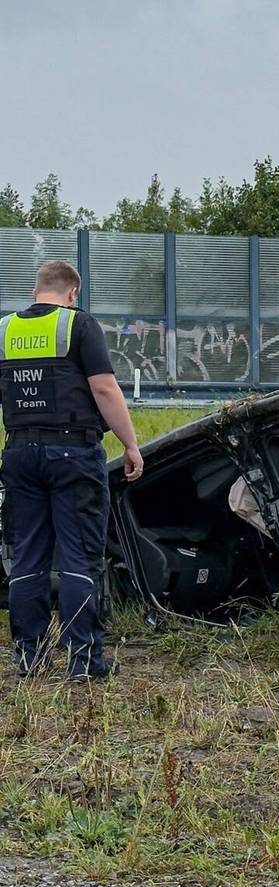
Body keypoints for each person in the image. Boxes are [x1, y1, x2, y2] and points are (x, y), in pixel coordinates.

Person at [0, 260, 143, 681]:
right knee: (79, 558)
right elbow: (103, 387)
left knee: (26, 557)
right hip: (72, 453)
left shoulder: (5, 330)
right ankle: (83, 662)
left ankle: (31, 657)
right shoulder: (79, 326)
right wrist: (131, 444)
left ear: (35, 290)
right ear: (72, 294)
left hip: (20, 454)